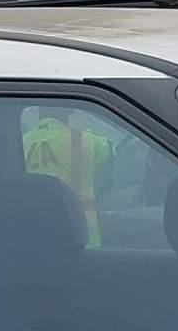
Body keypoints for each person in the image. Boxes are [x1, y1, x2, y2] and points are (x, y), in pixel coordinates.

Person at [22, 103, 111, 246]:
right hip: (81, 238)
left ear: (38, 109)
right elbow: (109, 151)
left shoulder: (21, 143)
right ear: (71, 109)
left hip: (36, 236)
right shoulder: (85, 140)